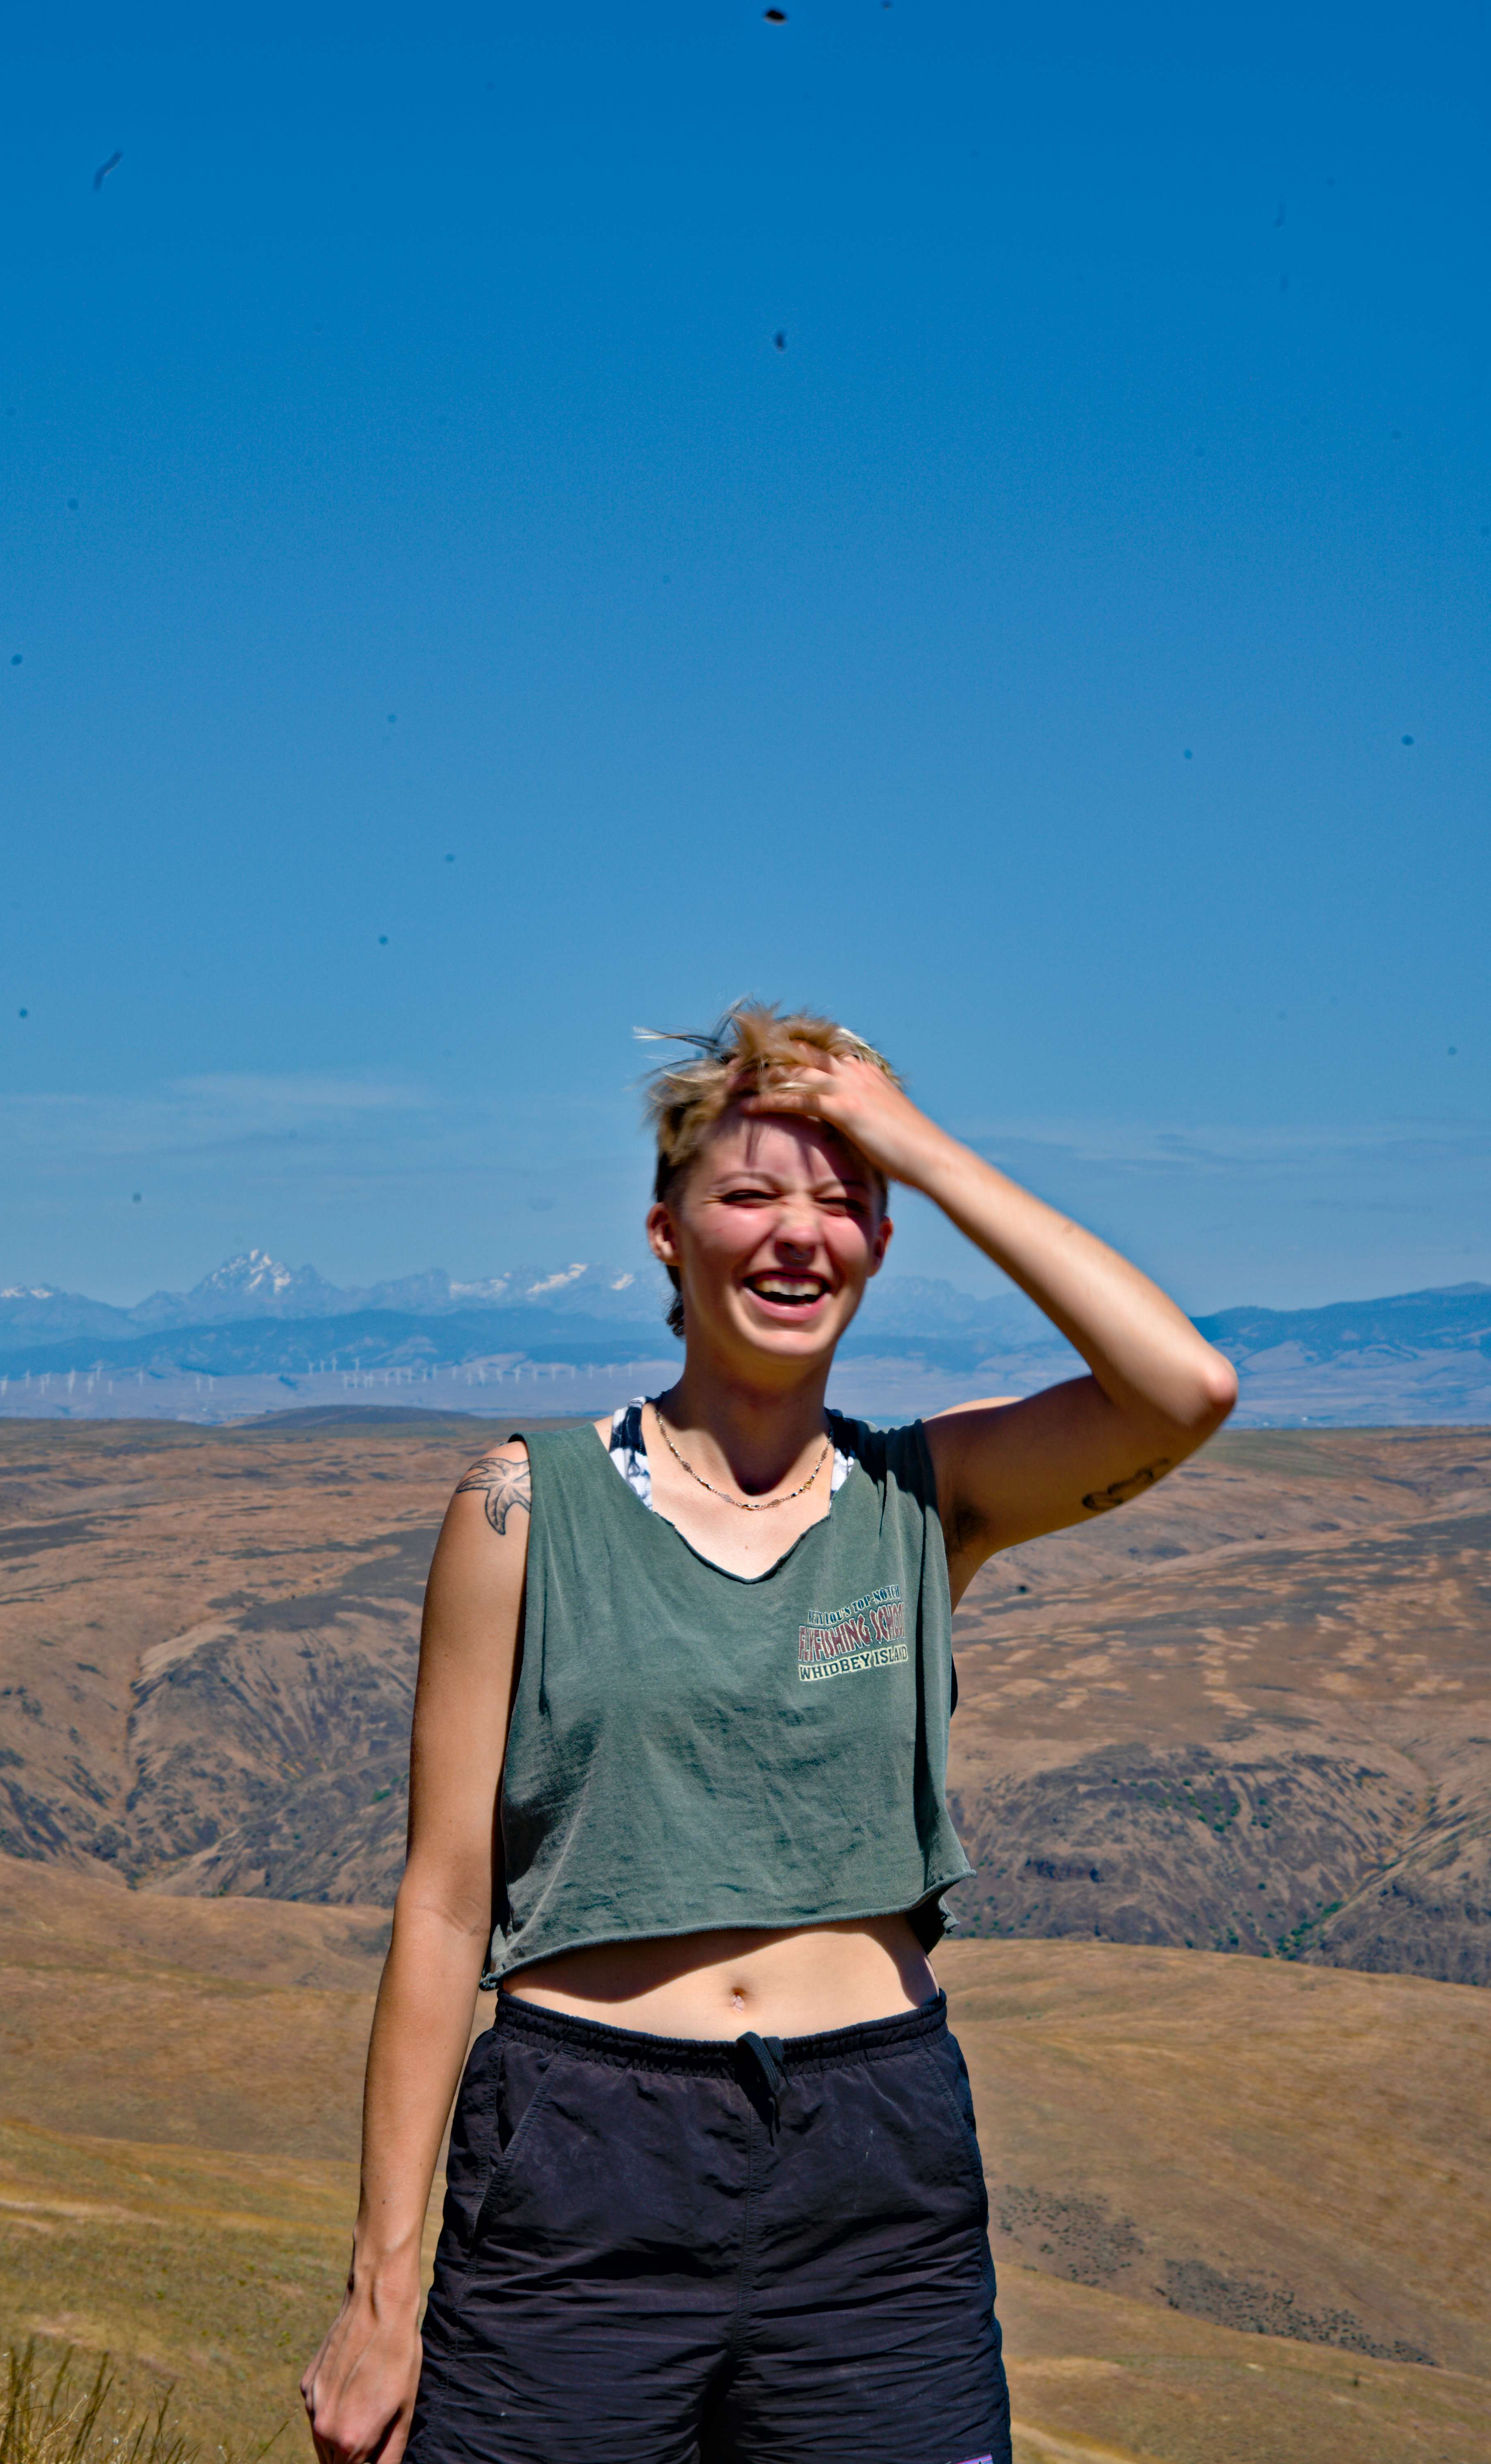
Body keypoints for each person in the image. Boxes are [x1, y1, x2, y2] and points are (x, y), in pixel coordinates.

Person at [301, 1003, 1238, 2464]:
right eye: (749, 1193)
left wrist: (915, 1145)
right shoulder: (521, 1507)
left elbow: (1185, 1391)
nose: (799, 1235)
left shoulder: (928, 1495)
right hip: (578, 2165)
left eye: (845, 1199)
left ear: (883, 1238)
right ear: (666, 1233)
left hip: (876, 2181)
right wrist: (382, 2287)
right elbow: (442, 1901)